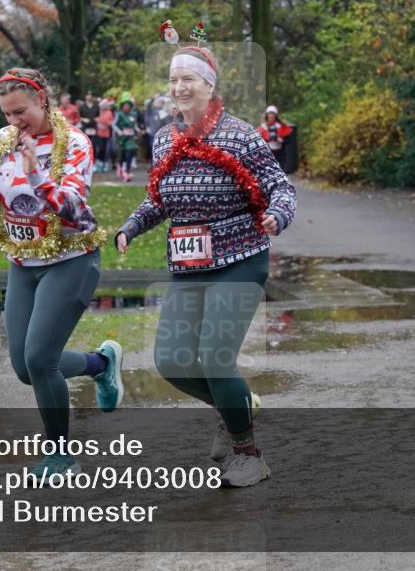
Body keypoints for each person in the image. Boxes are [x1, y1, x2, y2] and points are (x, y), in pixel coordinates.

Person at [0, 64, 122, 479]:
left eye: (20, 113)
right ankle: (101, 365)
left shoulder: (76, 143)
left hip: (71, 259)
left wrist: (34, 172)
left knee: (39, 359)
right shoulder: (1, 142)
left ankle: (60, 455)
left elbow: (71, 205)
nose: (14, 123)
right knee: (24, 367)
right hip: (23, 263)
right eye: (7, 114)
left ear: (41, 100)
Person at [115, 44, 297, 488]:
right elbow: (158, 199)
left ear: (209, 86)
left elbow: (281, 187)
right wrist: (131, 226)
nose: (178, 87)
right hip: (187, 263)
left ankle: (248, 454)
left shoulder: (240, 136)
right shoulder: (163, 138)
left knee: (216, 359)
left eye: (188, 79)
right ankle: (236, 408)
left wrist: (278, 215)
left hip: (239, 259)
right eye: (174, 80)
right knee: (172, 362)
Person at [115, 95, 139, 182]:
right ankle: (120, 168)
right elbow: (114, 125)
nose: (127, 107)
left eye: (128, 105)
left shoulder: (133, 114)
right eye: (125, 105)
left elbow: (135, 125)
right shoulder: (119, 114)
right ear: (122, 106)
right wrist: (119, 131)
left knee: (130, 152)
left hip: (130, 138)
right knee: (122, 155)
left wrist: (138, 130)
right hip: (122, 138)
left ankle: (127, 172)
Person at [95, 99, 114, 173]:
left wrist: (106, 123)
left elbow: (110, 122)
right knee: (100, 148)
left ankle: (103, 163)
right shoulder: (99, 112)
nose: (102, 107)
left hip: (106, 134)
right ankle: (98, 163)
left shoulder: (109, 113)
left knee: (105, 149)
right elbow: (95, 120)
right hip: (99, 133)